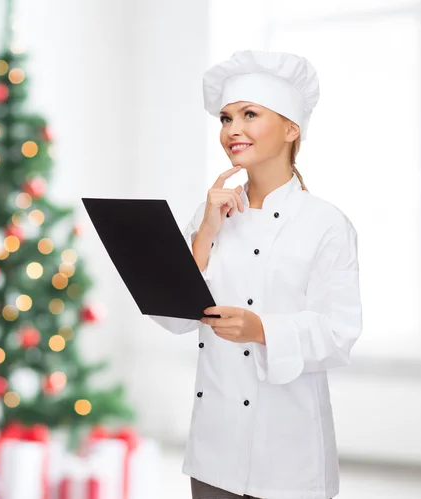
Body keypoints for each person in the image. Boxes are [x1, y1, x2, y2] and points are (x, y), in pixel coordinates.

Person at [148, 49, 362, 499]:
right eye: (225, 118)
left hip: (287, 451)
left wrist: (261, 329)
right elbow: (172, 318)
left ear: (291, 128)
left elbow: (339, 332)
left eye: (249, 114)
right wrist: (205, 232)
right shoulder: (209, 214)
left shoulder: (325, 223)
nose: (232, 130)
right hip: (213, 448)